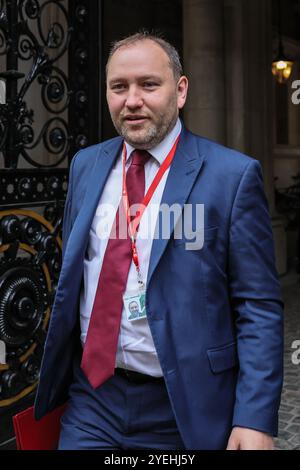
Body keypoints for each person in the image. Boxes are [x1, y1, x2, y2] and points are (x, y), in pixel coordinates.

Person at [34, 31, 284, 450]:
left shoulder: (231, 177)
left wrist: (255, 418)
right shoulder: (85, 164)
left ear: (180, 90)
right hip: (94, 400)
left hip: (185, 406)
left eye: (149, 84)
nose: (132, 100)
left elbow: (257, 305)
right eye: (119, 87)